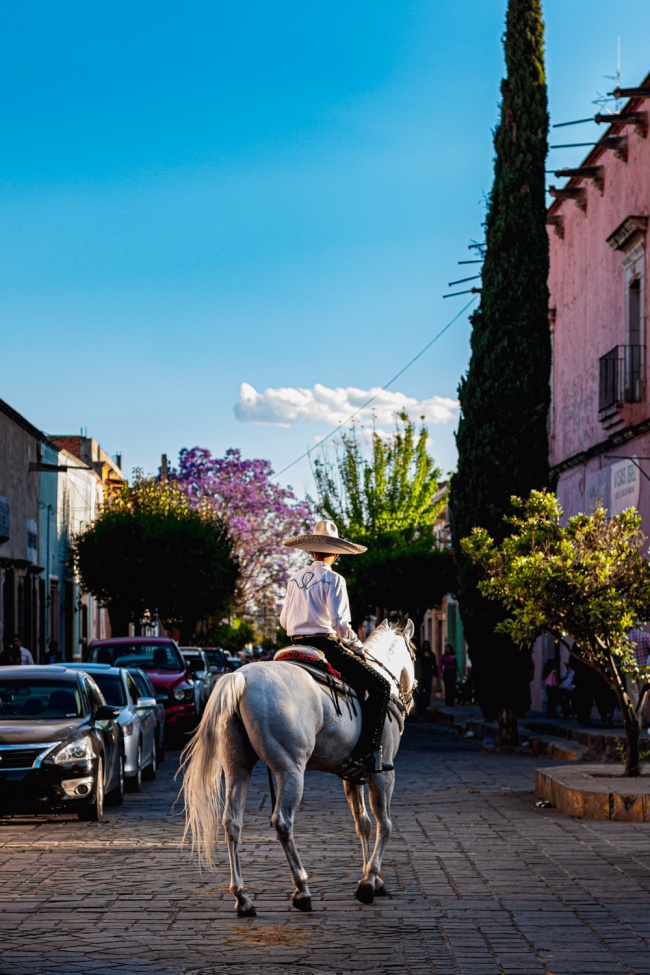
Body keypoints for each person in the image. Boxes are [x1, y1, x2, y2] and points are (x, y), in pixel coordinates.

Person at [280, 519, 393, 777]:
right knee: (381, 686)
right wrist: (358, 647)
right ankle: (368, 753)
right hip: (325, 645)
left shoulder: (293, 580)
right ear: (336, 553)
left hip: (294, 645)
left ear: (311, 551)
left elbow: (284, 621)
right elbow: (341, 625)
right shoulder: (334, 579)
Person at [416, 640, 437, 717]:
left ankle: (426, 704)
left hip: (429, 674)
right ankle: (421, 705)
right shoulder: (420, 654)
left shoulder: (431, 655)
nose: (426, 647)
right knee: (421, 689)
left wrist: (435, 674)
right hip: (421, 674)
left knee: (427, 689)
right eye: (424, 645)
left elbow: (434, 665)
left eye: (427, 645)